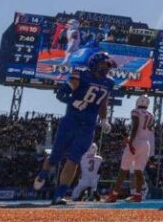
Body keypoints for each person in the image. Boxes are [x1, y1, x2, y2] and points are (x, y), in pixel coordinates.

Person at [33, 51, 115, 205]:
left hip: (88, 126)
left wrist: (104, 119)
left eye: (108, 66)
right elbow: (61, 94)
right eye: (104, 65)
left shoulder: (109, 82)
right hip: (71, 121)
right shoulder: (81, 75)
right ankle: (43, 173)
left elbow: (104, 103)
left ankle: (59, 194)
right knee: (56, 156)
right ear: (94, 63)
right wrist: (73, 102)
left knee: (74, 159)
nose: (106, 69)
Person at [105, 95, 155, 202]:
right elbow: (147, 131)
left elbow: (136, 126)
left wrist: (130, 141)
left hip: (136, 142)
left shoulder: (135, 111)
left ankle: (114, 195)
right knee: (139, 171)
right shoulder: (151, 115)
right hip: (146, 144)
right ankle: (137, 195)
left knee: (123, 170)